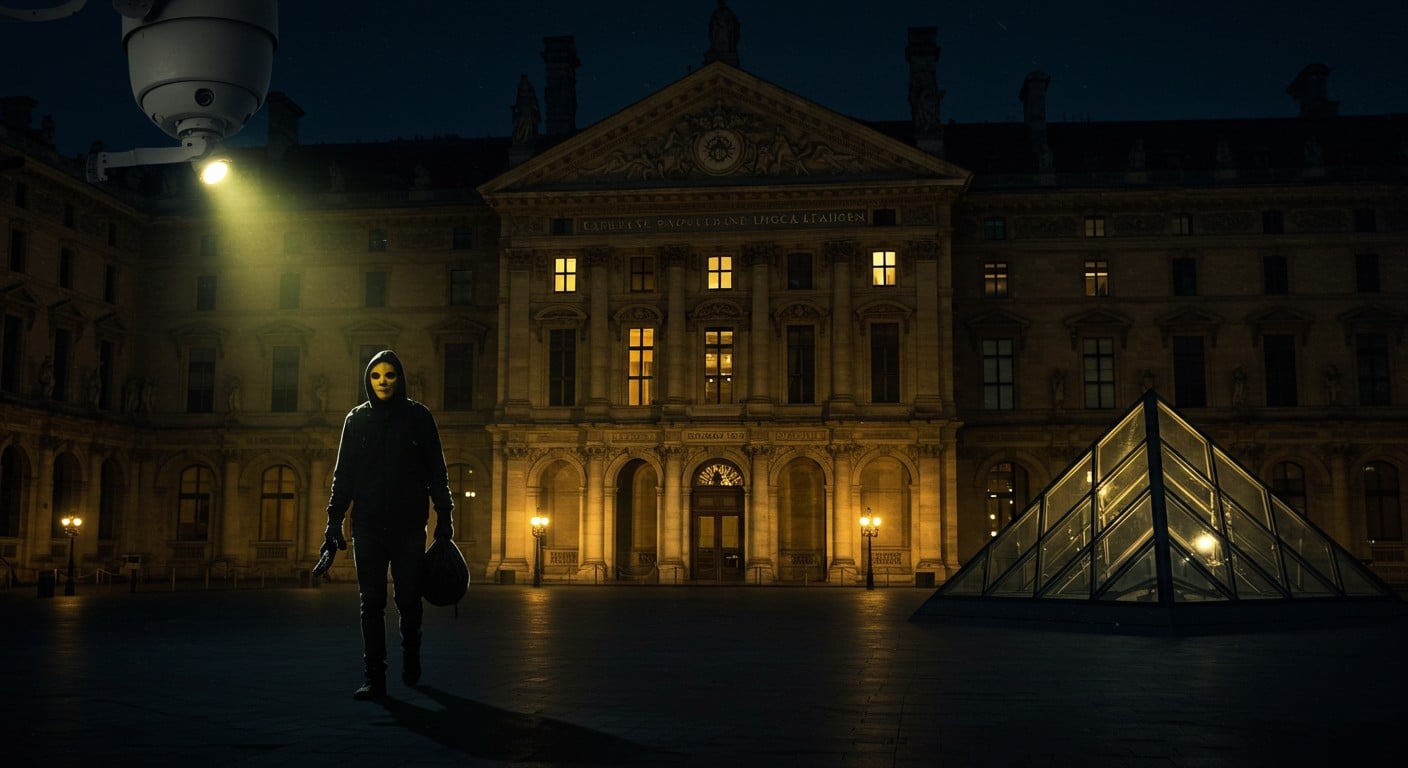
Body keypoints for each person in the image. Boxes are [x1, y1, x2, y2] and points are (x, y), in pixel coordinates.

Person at [323, 349, 454, 700]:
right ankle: (374, 677)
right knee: (371, 603)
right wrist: (334, 521)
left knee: (409, 599)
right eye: (376, 376)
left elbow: (436, 473)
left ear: (400, 378)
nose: (382, 382)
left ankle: (411, 654)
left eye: (390, 375)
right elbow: (343, 476)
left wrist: (445, 518)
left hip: (409, 525)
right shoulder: (356, 420)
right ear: (367, 379)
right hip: (366, 526)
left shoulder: (419, 418)